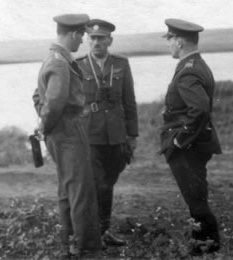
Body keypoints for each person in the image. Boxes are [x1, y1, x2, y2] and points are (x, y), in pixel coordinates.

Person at [32, 13, 101, 259]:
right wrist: (46, 123)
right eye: (81, 34)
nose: (82, 40)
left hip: (60, 131)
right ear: (72, 33)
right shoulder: (60, 61)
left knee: (68, 188)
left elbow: (38, 97)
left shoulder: (53, 57)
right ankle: (88, 249)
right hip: (68, 130)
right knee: (81, 190)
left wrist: (43, 123)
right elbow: (55, 101)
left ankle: (70, 242)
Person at [159, 18, 222, 256]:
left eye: (170, 40)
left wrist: (179, 138)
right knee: (196, 195)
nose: (169, 45)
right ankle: (202, 244)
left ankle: (207, 245)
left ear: (179, 41)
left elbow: (200, 108)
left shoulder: (188, 70)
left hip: (189, 146)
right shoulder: (197, 64)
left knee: (195, 199)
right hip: (198, 142)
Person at [76, 19, 138, 247]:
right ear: (87, 41)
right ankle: (96, 232)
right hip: (90, 135)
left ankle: (104, 231)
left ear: (109, 40)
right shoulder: (78, 65)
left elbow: (129, 101)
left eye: (101, 38)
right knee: (98, 183)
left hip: (116, 135)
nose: (96, 42)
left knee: (109, 182)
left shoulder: (121, 64)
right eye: (92, 38)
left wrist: (132, 135)